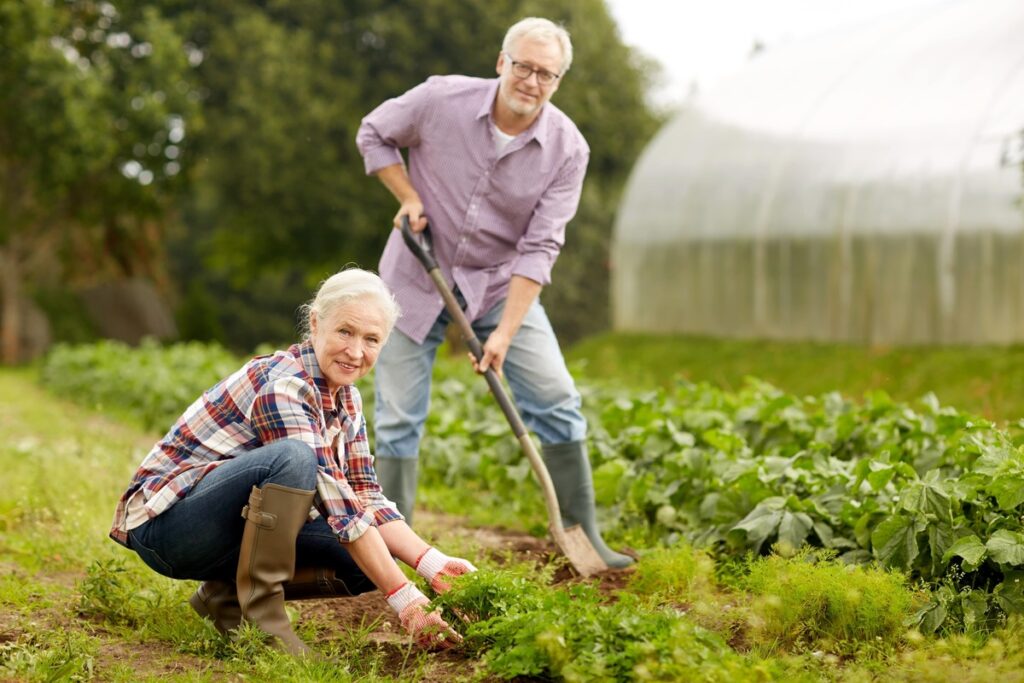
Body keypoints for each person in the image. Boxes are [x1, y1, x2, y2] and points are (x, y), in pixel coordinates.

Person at [356, 17, 632, 569]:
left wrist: (504, 333)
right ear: (502, 62)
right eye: (525, 66)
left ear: (557, 82)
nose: (532, 81)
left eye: (547, 74)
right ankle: (390, 548)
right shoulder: (441, 100)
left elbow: (540, 247)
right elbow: (375, 132)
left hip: (497, 287)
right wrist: (408, 195)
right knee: (398, 415)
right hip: (415, 275)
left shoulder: (567, 150)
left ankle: (582, 533)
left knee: (556, 400)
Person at [109, 268, 476, 655]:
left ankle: (226, 598)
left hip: (221, 525)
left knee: (360, 561)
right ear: (316, 323)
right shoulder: (285, 385)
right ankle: (263, 622)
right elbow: (337, 500)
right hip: (167, 525)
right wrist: (405, 600)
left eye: (371, 339)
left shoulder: (347, 398)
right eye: (345, 332)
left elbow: (364, 494)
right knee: (294, 459)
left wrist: (433, 565)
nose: (355, 351)